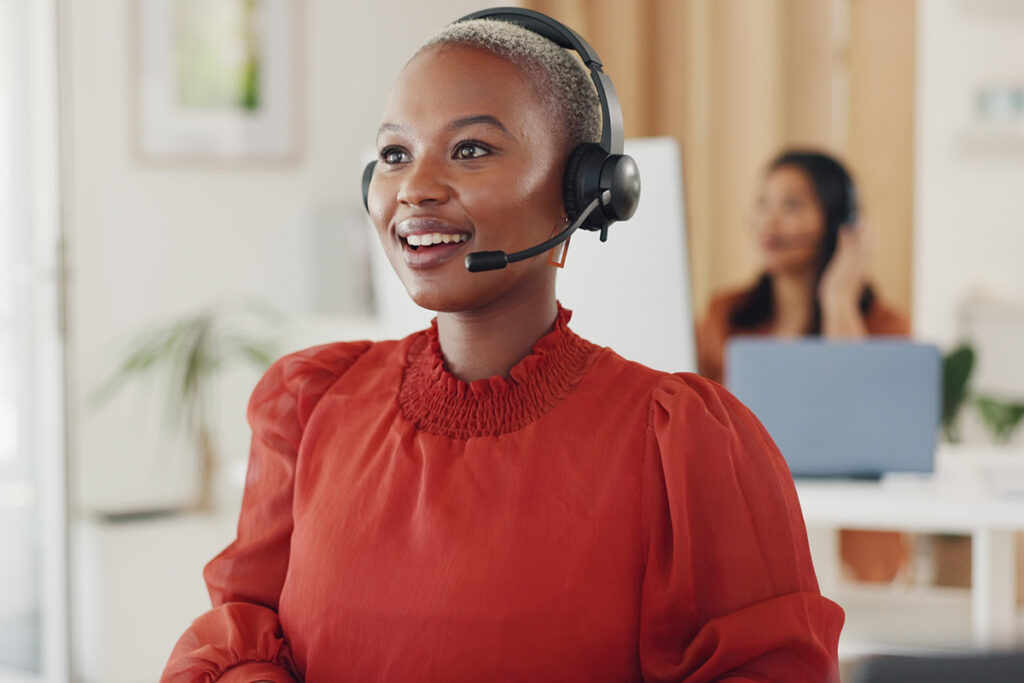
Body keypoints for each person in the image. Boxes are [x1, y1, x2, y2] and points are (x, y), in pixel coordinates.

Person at [162, 11, 842, 683]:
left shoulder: (684, 445)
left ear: (582, 191)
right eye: (395, 154)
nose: (416, 188)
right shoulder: (308, 404)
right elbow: (242, 627)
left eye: (471, 150)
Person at [696, 150, 911, 584]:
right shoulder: (727, 317)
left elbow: (860, 424)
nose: (769, 222)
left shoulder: (882, 326)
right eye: (763, 204)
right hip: (750, 523)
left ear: (837, 222)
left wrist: (838, 300)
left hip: (848, 536)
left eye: (791, 206)